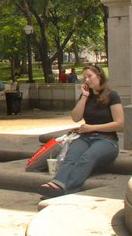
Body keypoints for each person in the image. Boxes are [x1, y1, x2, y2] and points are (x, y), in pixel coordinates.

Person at [41, 64, 124, 198]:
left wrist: (93, 127)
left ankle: (65, 192)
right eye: (84, 77)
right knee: (71, 157)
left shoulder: (112, 96)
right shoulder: (86, 96)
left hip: (107, 141)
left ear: (99, 76)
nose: (87, 80)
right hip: (86, 137)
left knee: (87, 157)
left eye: (90, 76)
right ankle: (57, 183)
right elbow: (76, 117)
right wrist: (84, 96)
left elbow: (119, 124)